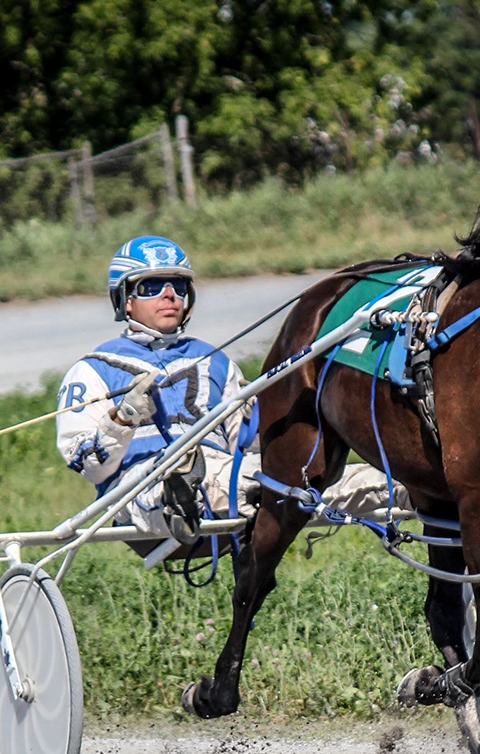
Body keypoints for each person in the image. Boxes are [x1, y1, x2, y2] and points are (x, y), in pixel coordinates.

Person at [56, 236, 399, 565]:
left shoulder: (215, 361)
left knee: (303, 477)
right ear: (126, 299)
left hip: (225, 480)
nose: (169, 296)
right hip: (139, 489)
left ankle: (408, 488)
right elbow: (89, 466)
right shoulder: (92, 370)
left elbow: (251, 441)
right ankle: (179, 494)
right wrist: (122, 419)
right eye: (151, 287)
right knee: (167, 481)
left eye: (178, 287)